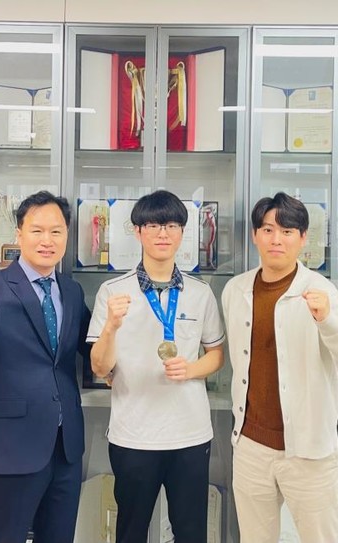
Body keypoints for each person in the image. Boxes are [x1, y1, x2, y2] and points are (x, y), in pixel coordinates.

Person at [221, 192, 338, 543]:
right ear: (255, 235)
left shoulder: (321, 291)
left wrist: (327, 321)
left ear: (303, 238)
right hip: (251, 446)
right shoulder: (235, 290)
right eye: (268, 230)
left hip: (309, 452)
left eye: (288, 231)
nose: (277, 239)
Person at [0, 191, 91, 543]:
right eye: (37, 231)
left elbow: (92, 350)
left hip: (65, 447)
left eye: (56, 231)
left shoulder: (71, 291)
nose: (47, 240)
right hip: (12, 447)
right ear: (19, 234)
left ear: (67, 236)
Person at [88, 190, 225, 543]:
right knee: (130, 532)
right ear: (137, 231)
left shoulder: (200, 293)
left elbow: (216, 354)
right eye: (153, 225)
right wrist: (111, 327)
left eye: (171, 225)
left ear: (182, 232)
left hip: (190, 435)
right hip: (133, 435)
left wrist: (190, 370)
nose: (163, 233)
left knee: (191, 533)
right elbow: (100, 367)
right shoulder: (112, 292)